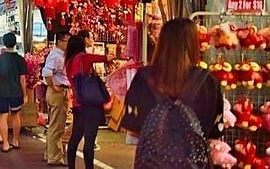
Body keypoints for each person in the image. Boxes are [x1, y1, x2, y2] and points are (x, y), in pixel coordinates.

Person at [121, 18, 223, 165]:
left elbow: (132, 129)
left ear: (162, 43)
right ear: (193, 44)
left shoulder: (143, 78)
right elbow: (214, 134)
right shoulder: (210, 82)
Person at [65, 35, 114, 169]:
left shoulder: (68, 61)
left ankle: (71, 166)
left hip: (77, 103)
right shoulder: (83, 57)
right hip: (90, 104)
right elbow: (105, 58)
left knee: (75, 138)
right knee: (89, 139)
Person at [0, 32, 27, 152]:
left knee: (3, 117)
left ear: (4, 43)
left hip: (2, 91)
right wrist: (25, 94)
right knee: (16, 115)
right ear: (15, 43)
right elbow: (22, 79)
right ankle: (16, 141)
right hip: (16, 91)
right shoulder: (20, 59)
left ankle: (6, 143)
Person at [42, 30, 71, 166]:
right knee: (57, 125)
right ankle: (54, 156)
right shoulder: (56, 56)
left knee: (55, 124)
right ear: (59, 42)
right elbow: (47, 72)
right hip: (58, 92)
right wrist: (53, 86)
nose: (68, 44)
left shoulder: (60, 55)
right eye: (67, 41)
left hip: (58, 91)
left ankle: (50, 153)